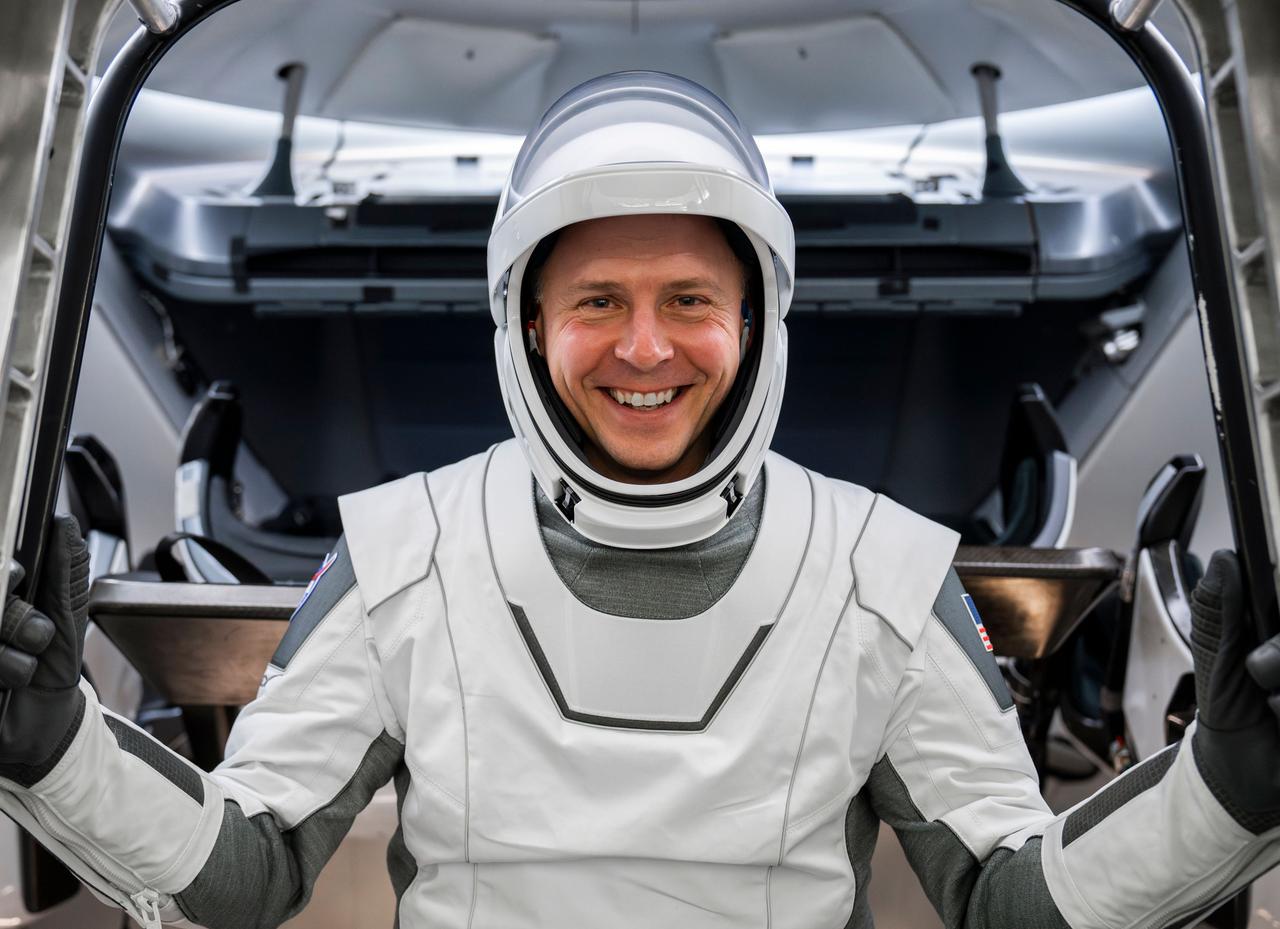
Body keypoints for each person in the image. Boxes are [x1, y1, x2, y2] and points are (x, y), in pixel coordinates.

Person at [0, 70, 1278, 929]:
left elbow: (1014, 894)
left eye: (688, 302)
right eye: (598, 301)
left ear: (756, 323)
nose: (645, 348)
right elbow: (245, 867)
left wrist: (1222, 784)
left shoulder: (878, 571)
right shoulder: (405, 553)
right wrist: (55, 746)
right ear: (530, 323)